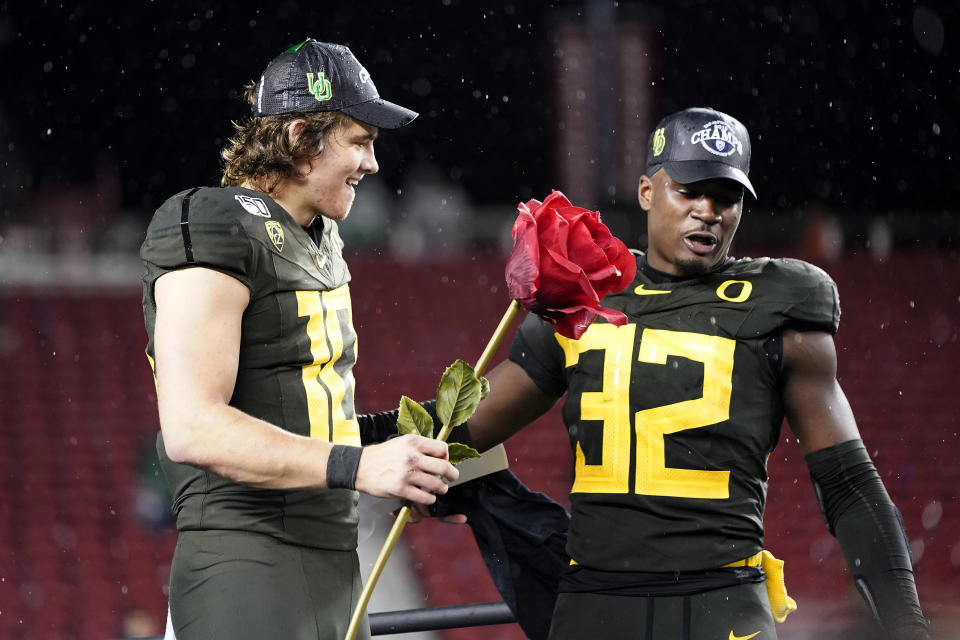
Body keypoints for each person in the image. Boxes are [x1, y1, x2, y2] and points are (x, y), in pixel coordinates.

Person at [456, 107, 930, 639]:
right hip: (598, 609)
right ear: (646, 191)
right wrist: (356, 450)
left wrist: (909, 627)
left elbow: (848, 484)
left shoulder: (779, 304)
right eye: (688, 190)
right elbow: (458, 432)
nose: (708, 211)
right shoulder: (584, 300)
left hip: (721, 606)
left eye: (725, 198)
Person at [140, 38, 460, 640]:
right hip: (247, 558)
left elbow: (306, 416)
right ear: (298, 138)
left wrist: (413, 437)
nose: (373, 164)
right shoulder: (215, 221)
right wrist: (361, 465)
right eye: (360, 141)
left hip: (332, 562)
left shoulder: (318, 236)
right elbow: (192, 426)